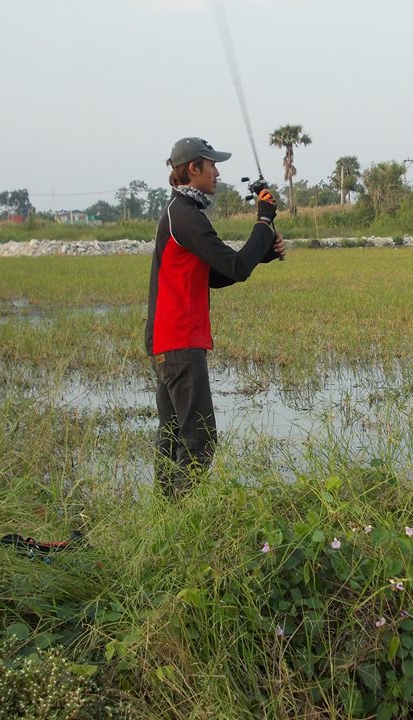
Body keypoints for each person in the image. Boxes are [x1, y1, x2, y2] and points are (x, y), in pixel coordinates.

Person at [145, 136, 285, 498]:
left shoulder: (181, 214)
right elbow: (236, 266)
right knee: (199, 439)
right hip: (180, 342)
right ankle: (182, 520)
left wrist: (263, 254)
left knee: (173, 434)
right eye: (212, 165)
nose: (218, 172)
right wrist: (264, 221)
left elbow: (216, 275)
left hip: (168, 341)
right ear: (194, 169)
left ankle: (165, 519)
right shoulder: (186, 216)